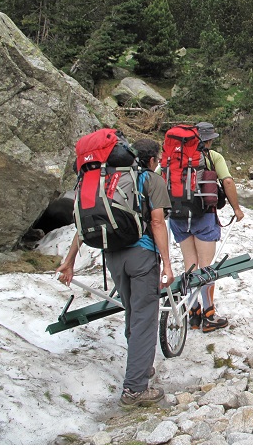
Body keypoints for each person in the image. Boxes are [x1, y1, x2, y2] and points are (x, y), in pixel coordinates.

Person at [57, 138, 174, 408]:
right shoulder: (150, 180)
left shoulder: (104, 180)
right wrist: (167, 264)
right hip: (142, 256)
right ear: (152, 160)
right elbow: (157, 222)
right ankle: (134, 389)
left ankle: (140, 365)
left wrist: (70, 260)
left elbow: (86, 224)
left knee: (132, 312)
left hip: (112, 256)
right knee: (145, 318)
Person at [168, 121, 244, 333]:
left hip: (177, 217)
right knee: (206, 268)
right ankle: (209, 315)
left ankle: (193, 313)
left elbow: (156, 178)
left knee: (190, 264)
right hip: (203, 216)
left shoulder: (173, 157)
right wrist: (236, 209)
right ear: (208, 140)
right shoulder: (213, 157)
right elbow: (227, 182)